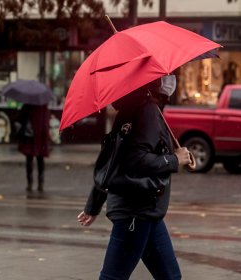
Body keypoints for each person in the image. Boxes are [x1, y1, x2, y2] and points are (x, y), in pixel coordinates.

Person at [77, 75, 192, 280]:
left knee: (170, 277)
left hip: (146, 210)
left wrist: (93, 204)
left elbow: (113, 161)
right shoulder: (147, 110)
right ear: (154, 82)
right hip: (135, 211)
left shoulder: (134, 108)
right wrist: (174, 159)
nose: (170, 79)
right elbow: (135, 160)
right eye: (166, 75)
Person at [16, 104, 50, 193]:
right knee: (40, 160)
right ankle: (40, 183)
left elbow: (20, 117)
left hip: (30, 135)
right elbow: (46, 121)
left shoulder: (28, 104)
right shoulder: (43, 105)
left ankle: (30, 183)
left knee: (29, 159)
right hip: (40, 136)